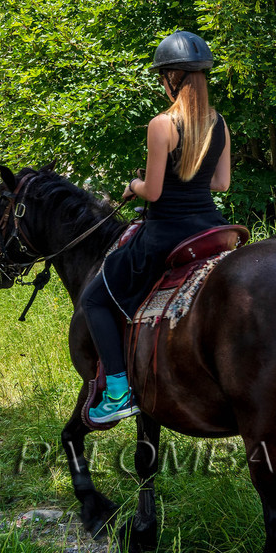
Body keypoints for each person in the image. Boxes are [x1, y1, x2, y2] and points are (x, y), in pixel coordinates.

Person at [80, 31, 233, 425]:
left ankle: (116, 391)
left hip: (166, 233)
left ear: (173, 78)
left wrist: (133, 186)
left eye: (162, 76)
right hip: (210, 228)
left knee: (95, 299)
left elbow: (154, 191)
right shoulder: (219, 123)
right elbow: (221, 184)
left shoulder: (162, 124)